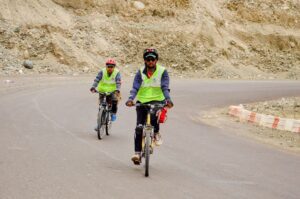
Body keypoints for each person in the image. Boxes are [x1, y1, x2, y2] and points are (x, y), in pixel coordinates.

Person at [125, 48, 173, 165]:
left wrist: (168, 99)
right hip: (142, 101)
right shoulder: (140, 72)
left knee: (153, 115)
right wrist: (131, 99)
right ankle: (137, 153)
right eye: (148, 59)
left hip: (158, 100)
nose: (150, 61)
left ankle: (156, 132)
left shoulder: (162, 71)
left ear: (156, 60)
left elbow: (164, 87)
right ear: (145, 60)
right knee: (139, 127)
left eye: (153, 59)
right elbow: (135, 87)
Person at [90, 58, 121, 129]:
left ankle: (113, 113)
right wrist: (93, 87)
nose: (110, 68)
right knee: (101, 107)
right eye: (108, 66)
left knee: (114, 100)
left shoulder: (117, 72)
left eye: (112, 67)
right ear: (106, 66)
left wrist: (118, 89)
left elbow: (118, 82)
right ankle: (99, 124)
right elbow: (97, 79)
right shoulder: (102, 71)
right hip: (102, 90)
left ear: (114, 67)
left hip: (112, 91)